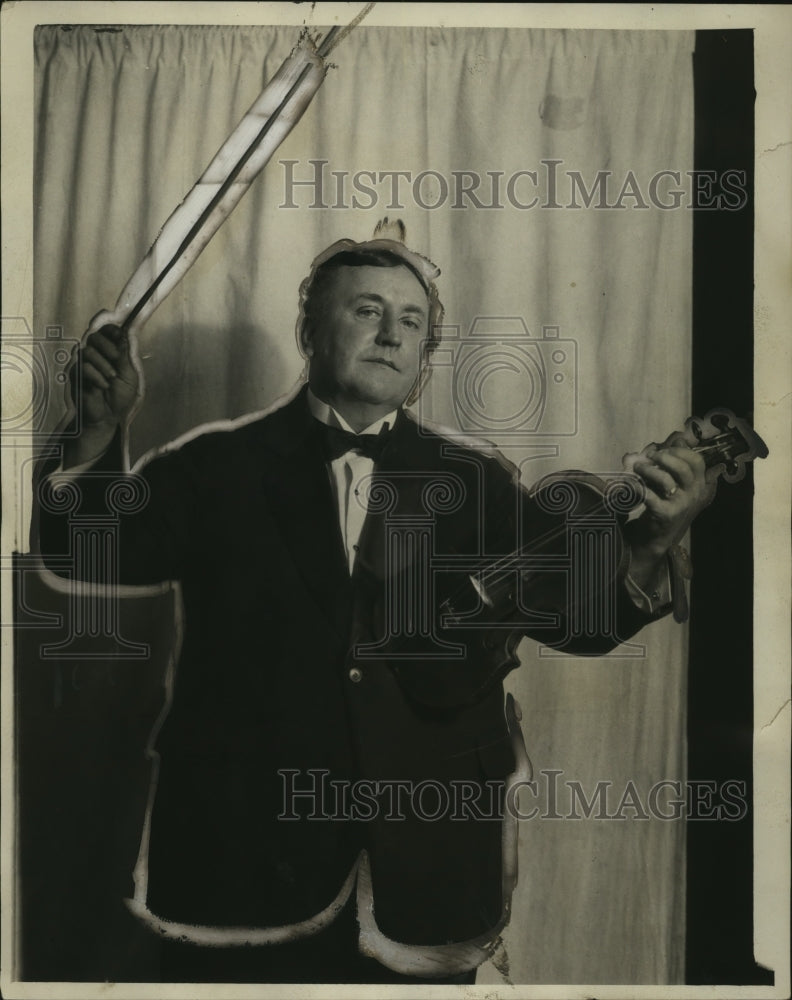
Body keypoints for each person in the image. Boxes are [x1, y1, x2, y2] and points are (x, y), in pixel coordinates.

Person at [35, 233, 716, 984]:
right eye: (367, 310)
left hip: (427, 868)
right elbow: (82, 553)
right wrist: (96, 431)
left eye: (413, 320)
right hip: (241, 857)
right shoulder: (213, 465)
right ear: (309, 331)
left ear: (426, 351)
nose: (393, 334)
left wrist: (655, 539)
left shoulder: (479, 483)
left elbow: (580, 623)